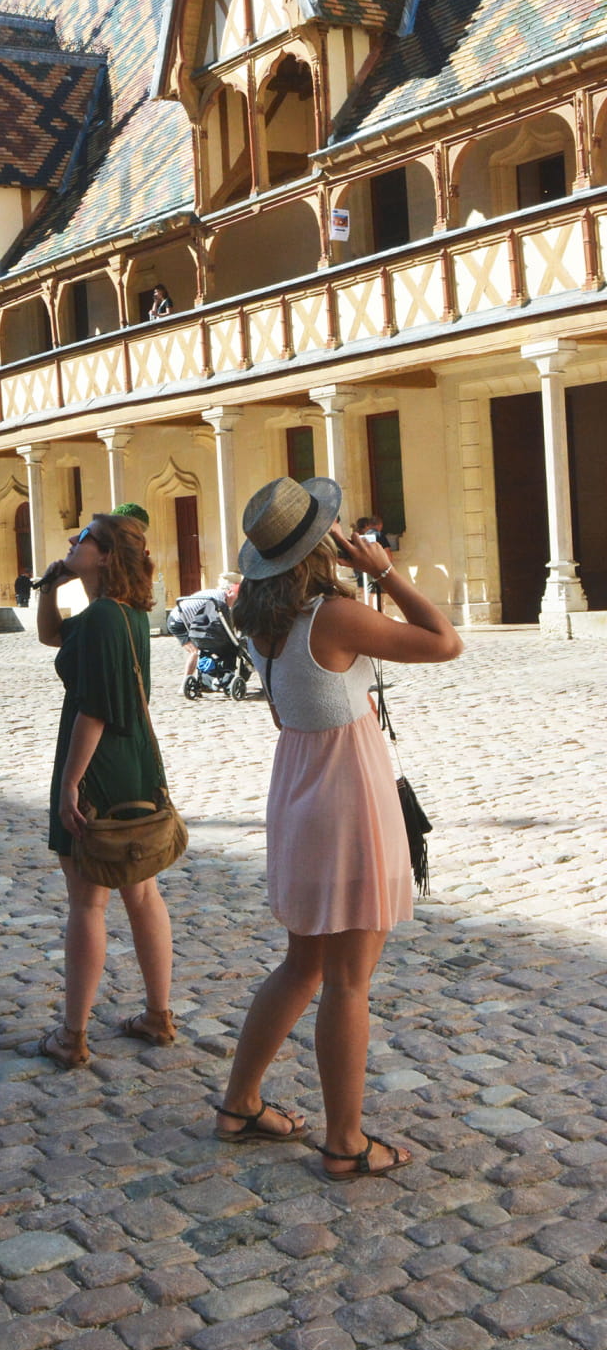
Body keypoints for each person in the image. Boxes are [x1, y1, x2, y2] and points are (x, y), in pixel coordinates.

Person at [212, 477, 461, 1180]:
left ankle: (239, 1103)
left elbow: (287, 715)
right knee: (349, 980)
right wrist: (385, 571)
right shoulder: (334, 618)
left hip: (298, 789)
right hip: (347, 794)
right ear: (325, 547)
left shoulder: (259, 622)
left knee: (303, 964)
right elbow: (445, 642)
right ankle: (344, 1143)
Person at [35, 513, 176, 1068]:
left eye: (85, 538)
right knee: (143, 893)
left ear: (107, 555)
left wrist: (70, 783)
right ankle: (158, 1016)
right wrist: (50, 587)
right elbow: (50, 635)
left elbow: (92, 710)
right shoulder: (125, 615)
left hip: (95, 763)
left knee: (88, 902)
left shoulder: (99, 621)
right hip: (135, 759)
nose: (73, 540)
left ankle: (73, 1036)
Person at [167, 584, 239, 685]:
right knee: (195, 651)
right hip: (178, 622)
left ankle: (204, 680)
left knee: (203, 646)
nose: (236, 603)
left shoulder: (216, 595)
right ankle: (185, 683)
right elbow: (219, 624)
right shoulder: (218, 601)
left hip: (183, 618)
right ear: (229, 592)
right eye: (237, 598)